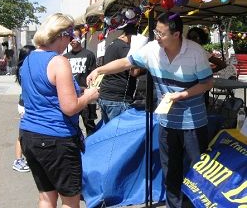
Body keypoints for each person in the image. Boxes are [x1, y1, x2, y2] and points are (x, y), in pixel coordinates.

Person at [87, 12, 213, 208]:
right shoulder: (152, 49)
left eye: (161, 33)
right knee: (170, 169)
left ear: (176, 34)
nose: (157, 37)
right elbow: (126, 62)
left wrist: (182, 95)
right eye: (156, 32)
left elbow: (206, 83)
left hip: (193, 122)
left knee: (197, 170)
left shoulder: (195, 52)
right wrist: (99, 70)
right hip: (167, 121)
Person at [19, 13, 99, 208]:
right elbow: (70, 108)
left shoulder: (29, 59)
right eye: (70, 35)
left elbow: (45, 90)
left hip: (30, 135)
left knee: (46, 197)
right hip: (56, 139)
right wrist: (89, 96)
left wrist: (78, 89)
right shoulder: (58, 61)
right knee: (70, 201)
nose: (71, 40)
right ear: (61, 35)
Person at [98, 23, 141, 123]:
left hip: (105, 95)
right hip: (118, 99)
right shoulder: (125, 48)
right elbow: (134, 72)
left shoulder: (112, 44)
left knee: (109, 132)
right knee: (118, 135)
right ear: (133, 36)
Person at [64, 26, 97, 136]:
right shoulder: (64, 57)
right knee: (71, 125)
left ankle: (91, 148)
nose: (73, 40)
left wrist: (90, 93)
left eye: (75, 37)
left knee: (89, 124)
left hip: (85, 95)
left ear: (81, 38)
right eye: (71, 38)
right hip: (70, 95)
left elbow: (93, 75)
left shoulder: (89, 55)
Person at [13, 45, 36, 172]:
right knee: (23, 134)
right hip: (25, 105)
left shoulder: (23, 68)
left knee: (27, 132)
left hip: (26, 103)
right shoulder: (24, 69)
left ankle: (25, 159)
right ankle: (18, 160)